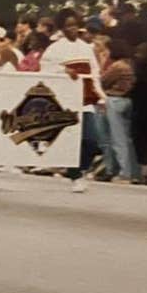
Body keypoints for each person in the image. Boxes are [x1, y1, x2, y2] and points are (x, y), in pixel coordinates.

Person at [40, 12, 103, 193]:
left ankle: (79, 168)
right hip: (66, 100)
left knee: (92, 140)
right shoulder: (55, 49)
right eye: (68, 25)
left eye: (75, 24)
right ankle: (76, 175)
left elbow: (94, 73)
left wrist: (100, 95)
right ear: (62, 28)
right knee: (75, 140)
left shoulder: (86, 48)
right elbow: (46, 70)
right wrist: (64, 70)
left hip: (85, 100)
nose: (73, 28)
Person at [101, 39, 139, 183]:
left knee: (117, 139)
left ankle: (124, 173)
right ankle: (134, 172)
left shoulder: (117, 66)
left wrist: (102, 61)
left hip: (115, 99)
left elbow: (103, 81)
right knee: (126, 139)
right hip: (127, 100)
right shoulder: (129, 65)